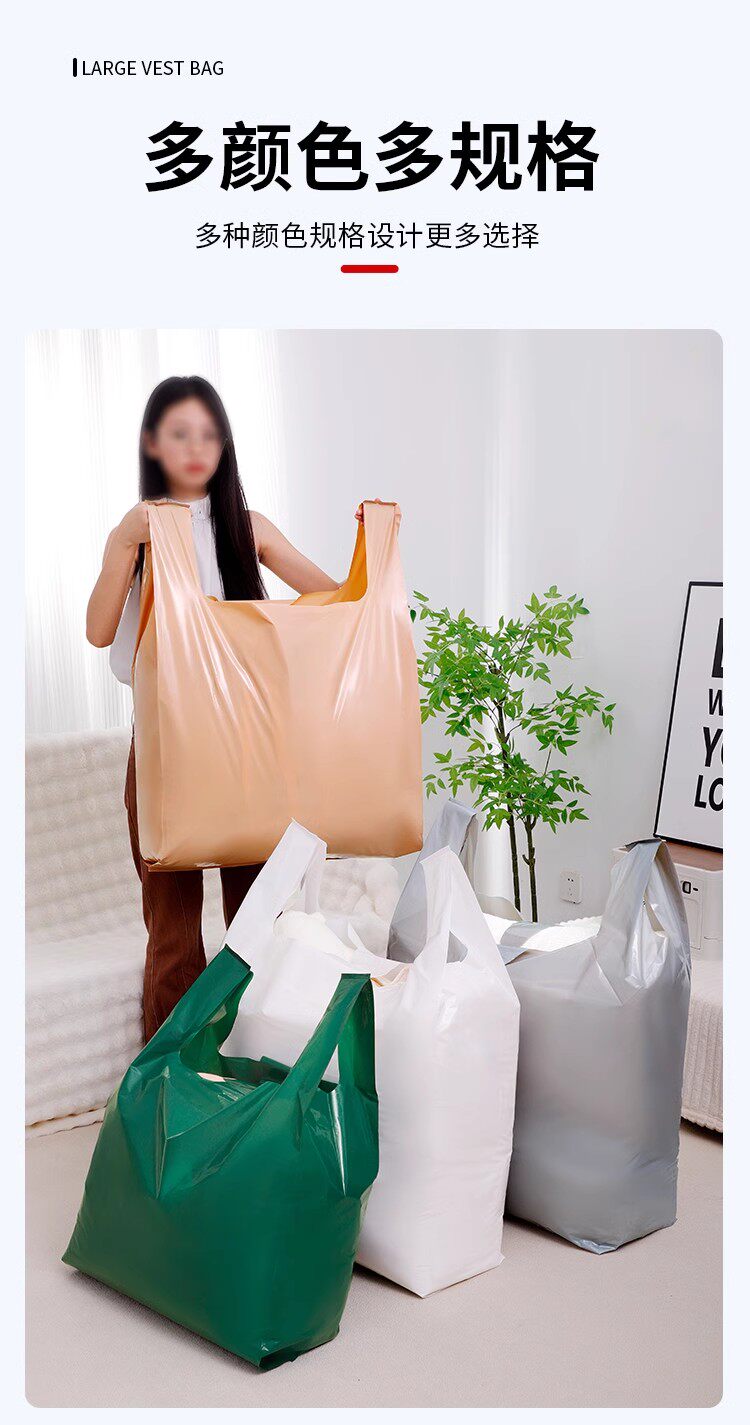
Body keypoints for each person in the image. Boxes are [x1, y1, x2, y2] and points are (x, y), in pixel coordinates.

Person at [86, 374, 360, 1040]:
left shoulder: (248, 528)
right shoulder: (140, 530)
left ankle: (256, 1057)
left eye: (208, 434)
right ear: (152, 443)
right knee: (173, 929)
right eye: (179, 433)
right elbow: (98, 631)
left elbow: (336, 600)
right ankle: (172, 1075)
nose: (195, 448)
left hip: (244, 745)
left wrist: (369, 549)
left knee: (256, 915)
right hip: (164, 747)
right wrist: (122, 542)